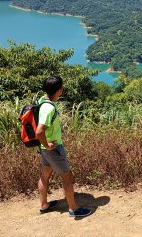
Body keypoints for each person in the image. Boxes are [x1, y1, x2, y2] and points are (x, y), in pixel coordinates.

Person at [36, 76, 91, 217]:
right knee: (67, 176)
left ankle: (44, 205)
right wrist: (47, 145)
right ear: (59, 90)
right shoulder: (49, 108)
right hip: (52, 149)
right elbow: (39, 130)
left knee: (45, 175)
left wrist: (44, 146)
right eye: (61, 87)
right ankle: (74, 209)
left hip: (45, 149)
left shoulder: (43, 101)